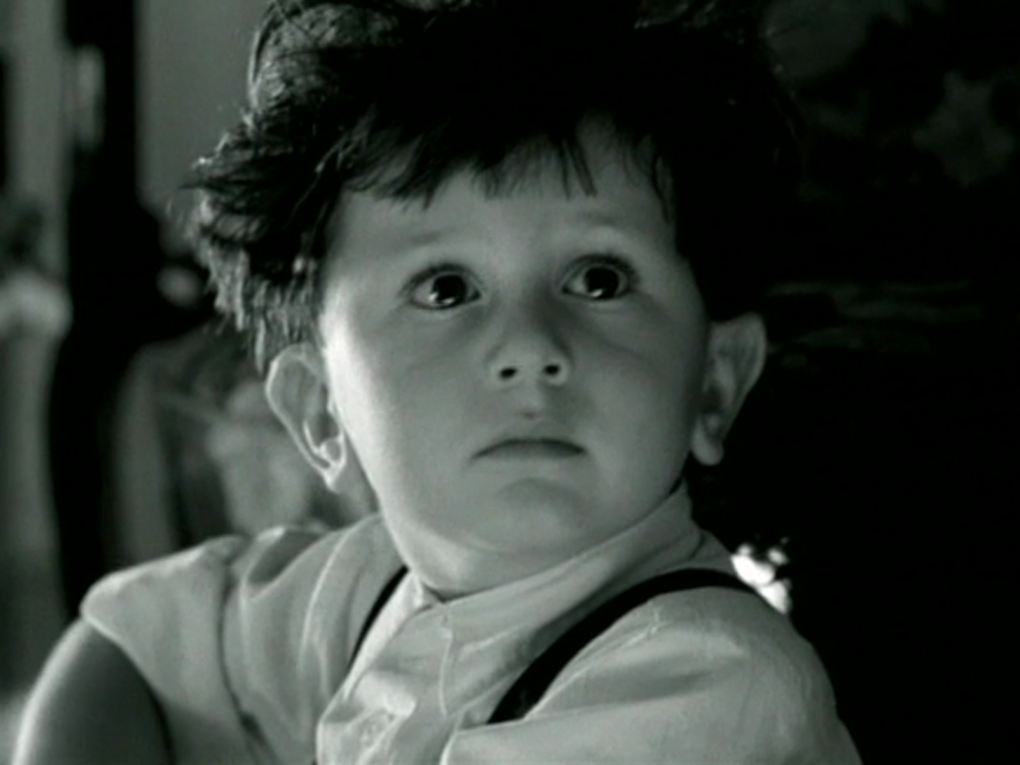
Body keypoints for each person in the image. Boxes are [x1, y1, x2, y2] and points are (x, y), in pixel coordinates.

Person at [15, 1, 861, 762]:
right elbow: (128, 645)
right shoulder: (370, 587)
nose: (529, 346)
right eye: (447, 289)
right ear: (320, 414)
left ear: (714, 382)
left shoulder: (706, 685)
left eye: (599, 279)